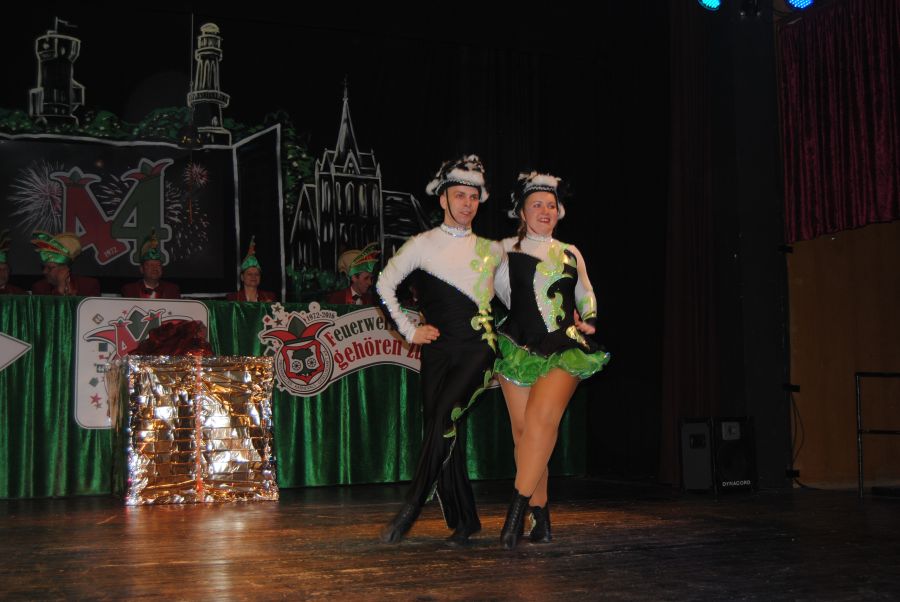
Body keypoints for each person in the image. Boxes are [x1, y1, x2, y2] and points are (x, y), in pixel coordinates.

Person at [376, 154, 502, 546]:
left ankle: (411, 508)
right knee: (441, 427)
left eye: (474, 197)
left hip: (478, 347)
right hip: (437, 350)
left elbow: (519, 298)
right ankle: (465, 520)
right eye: (460, 195)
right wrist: (410, 331)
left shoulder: (492, 250)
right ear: (443, 198)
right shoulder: (422, 244)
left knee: (444, 417)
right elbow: (383, 285)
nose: (467, 203)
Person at [493, 172, 610, 549]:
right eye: (536, 205)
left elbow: (586, 292)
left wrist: (589, 318)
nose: (545, 210)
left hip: (564, 344)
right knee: (524, 434)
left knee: (542, 421)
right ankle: (540, 516)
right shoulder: (504, 249)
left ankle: (514, 512)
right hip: (517, 346)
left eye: (551, 205)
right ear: (522, 212)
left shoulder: (570, 252)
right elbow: (493, 293)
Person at [30, 231, 101, 296]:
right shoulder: (39, 288)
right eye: (43, 267)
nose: (44, 271)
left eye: (50, 268)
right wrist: (60, 289)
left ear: (65, 269)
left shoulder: (89, 285)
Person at [121, 231, 181, 299]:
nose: (155, 268)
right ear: (141, 269)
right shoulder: (130, 289)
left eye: (158, 265)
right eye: (150, 265)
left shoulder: (172, 290)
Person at [227, 237, 276, 302]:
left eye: (257, 274)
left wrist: (268, 306)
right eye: (249, 274)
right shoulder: (233, 298)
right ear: (242, 277)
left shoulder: (269, 297)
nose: (253, 277)